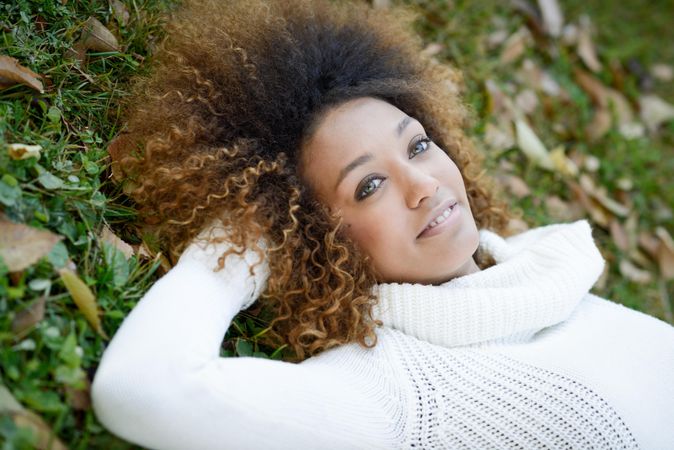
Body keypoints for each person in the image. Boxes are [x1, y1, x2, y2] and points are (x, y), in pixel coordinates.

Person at [91, 0, 674, 448]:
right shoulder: (396, 390)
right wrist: (240, 243)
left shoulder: (541, 266)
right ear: (316, 240)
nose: (424, 186)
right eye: (369, 186)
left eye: (418, 146)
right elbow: (143, 388)